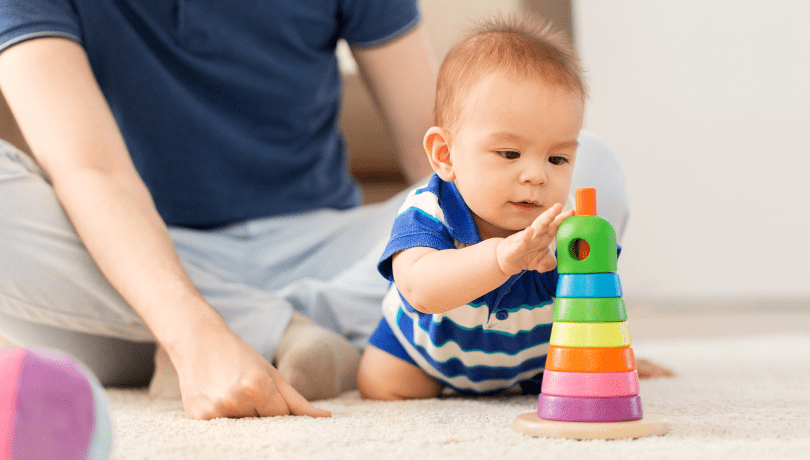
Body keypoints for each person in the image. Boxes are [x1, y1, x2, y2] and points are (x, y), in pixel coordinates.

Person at [0, 0, 436, 420]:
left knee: (481, 205)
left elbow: (436, 152)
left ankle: (282, 329)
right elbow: (91, 169)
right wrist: (193, 334)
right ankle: (286, 332)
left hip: (325, 255)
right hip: (139, 275)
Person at [357, 15, 673, 400]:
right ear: (445, 155)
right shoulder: (430, 210)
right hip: (426, 352)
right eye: (510, 153)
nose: (536, 175)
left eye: (557, 159)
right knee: (380, 382)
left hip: (534, 361)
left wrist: (604, 354)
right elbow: (419, 288)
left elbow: (595, 297)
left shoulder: (567, 227)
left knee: (573, 375)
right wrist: (501, 257)